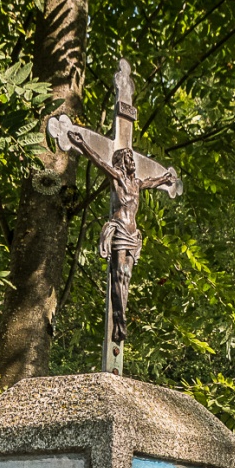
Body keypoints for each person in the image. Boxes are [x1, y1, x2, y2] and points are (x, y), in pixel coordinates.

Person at [66, 131, 177, 343]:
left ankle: (121, 315)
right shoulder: (117, 178)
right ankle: (119, 319)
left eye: (132, 159)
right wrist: (83, 144)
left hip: (133, 233)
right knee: (117, 274)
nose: (132, 162)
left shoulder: (137, 184)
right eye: (128, 159)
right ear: (122, 162)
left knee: (126, 275)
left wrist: (166, 178)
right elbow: (99, 161)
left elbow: (153, 182)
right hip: (119, 228)